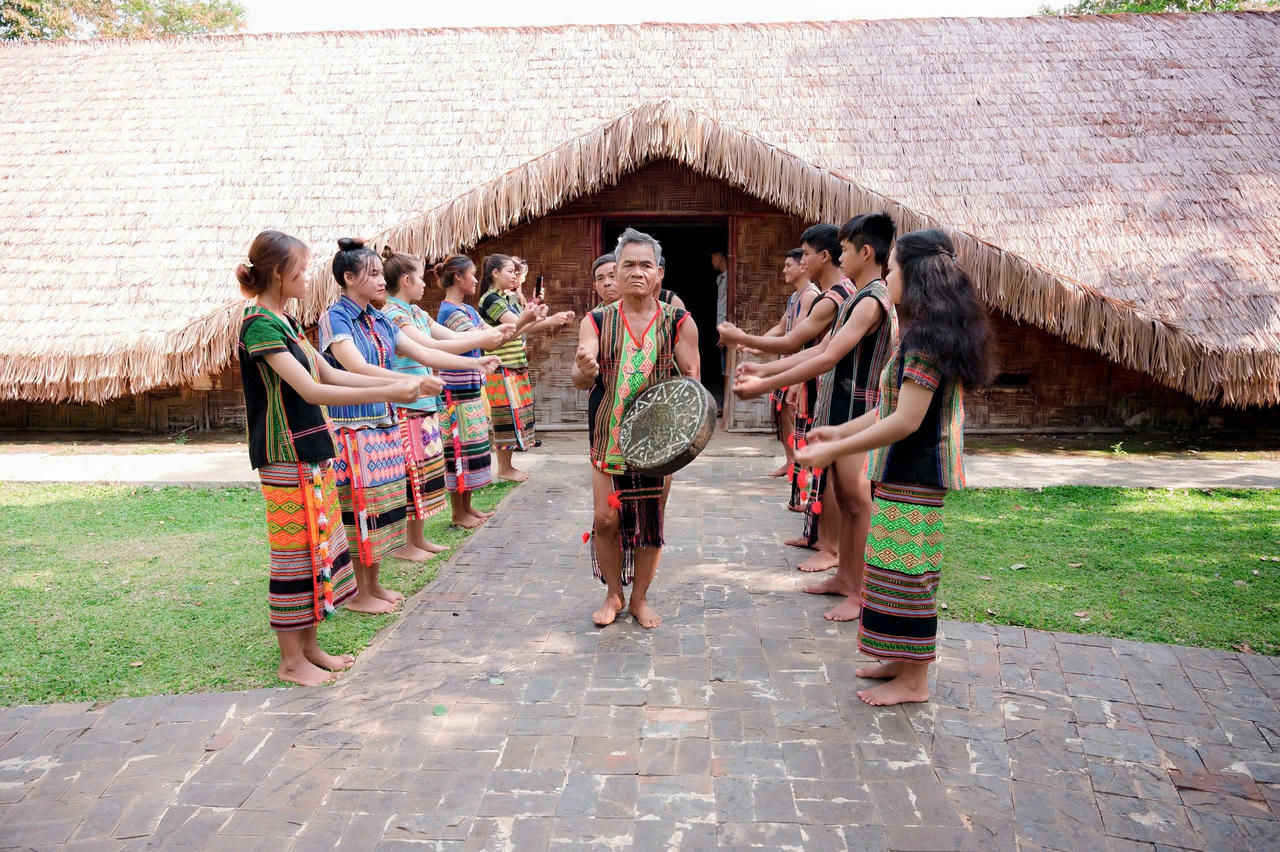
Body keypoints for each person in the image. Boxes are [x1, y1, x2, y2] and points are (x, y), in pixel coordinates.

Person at [797, 228, 993, 706]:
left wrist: (829, 451)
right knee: (890, 571)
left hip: (918, 472)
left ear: (917, 275)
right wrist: (838, 434)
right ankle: (898, 661)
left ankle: (915, 680)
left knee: (910, 577)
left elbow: (906, 421)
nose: (889, 275)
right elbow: (890, 406)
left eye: (896, 269)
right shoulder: (922, 333)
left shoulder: (927, 341)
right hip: (902, 472)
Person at [236, 230, 422, 685]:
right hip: (285, 454)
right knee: (293, 555)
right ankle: (290, 660)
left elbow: (330, 371)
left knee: (319, 548)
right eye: (300, 270)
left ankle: (311, 647)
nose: (307, 277)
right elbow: (313, 389)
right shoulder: (259, 324)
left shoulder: (287, 322)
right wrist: (393, 388)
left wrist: (395, 388)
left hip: (312, 448)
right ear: (279, 274)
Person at [735, 214, 898, 622]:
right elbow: (812, 351)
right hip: (842, 407)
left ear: (866, 252)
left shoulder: (872, 300)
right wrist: (765, 373)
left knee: (858, 503)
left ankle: (861, 592)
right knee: (844, 498)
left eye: (844, 250)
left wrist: (759, 382)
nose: (840, 258)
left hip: (859, 412)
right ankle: (845, 577)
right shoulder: (858, 297)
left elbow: (826, 356)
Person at [571, 228, 700, 629]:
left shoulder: (679, 322)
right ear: (617, 270)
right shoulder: (596, 321)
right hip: (608, 435)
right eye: (628, 265)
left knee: (650, 521)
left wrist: (684, 434)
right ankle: (613, 593)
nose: (637, 272)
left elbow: (691, 381)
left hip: (658, 444)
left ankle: (639, 599)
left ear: (659, 273)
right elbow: (580, 371)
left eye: (646, 265)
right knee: (605, 519)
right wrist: (585, 367)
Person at [721, 224, 852, 574]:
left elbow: (802, 344)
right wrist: (763, 366)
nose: (801, 261)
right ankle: (820, 539)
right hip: (820, 385)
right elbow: (804, 342)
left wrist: (753, 353)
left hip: (835, 391)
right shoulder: (832, 295)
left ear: (825, 256)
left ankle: (833, 547)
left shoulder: (838, 296)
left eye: (806, 254)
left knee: (837, 476)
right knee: (819, 465)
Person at [380, 250, 512, 558]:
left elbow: (449, 340)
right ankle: (406, 544)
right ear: (407, 280)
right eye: (421, 278)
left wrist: (482, 348)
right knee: (411, 474)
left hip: (425, 402)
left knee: (423, 472)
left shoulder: (416, 313)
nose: (427, 284)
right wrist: (478, 351)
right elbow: (431, 347)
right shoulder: (393, 314)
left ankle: (418, 538)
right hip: (406, 404)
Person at [478, 253, 574, 480]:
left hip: (515, 363)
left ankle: (508, 466)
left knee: (516, 414)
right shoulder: (491, 300)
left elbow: (524, 324)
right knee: (505, 416)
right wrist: (542, 318)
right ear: (495, 273)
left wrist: (554, 319)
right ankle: (503, 468)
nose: (515, 276)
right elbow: (517, 326)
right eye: (510, 271)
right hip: (500, 365)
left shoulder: (508, 298)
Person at [436, 254, 510, 527]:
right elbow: (481, 338)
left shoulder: (467, 310)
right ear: (458, 277)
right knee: (458, 451)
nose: (477, 280)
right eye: (473, 274)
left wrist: (521, 322)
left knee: (471, 450)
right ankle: (458, 513)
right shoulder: (449, 312)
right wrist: (518, 322)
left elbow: (489, 338)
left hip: (470, 388)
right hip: (454, 393)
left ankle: (467, 508)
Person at [752, 248, 819, 479]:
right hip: (787, 366)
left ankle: (804, 467)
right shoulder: (794, 297)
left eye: (789, 265)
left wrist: (795, 378)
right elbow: (782, 328)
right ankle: (791, 461)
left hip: (797, 368)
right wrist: (756, 344)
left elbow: (798, 339)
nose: (784, 270)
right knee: (782, 417)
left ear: (803, 267)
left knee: (797, 418)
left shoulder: (811, 295)